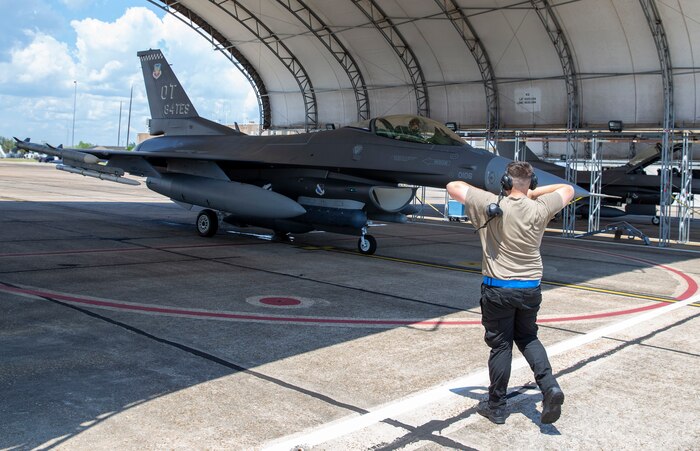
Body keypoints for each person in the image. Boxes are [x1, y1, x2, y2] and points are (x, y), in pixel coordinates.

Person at [446, 161, 575, 425]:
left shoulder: (493, 204)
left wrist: (505, 194)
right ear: (533, 182)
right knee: (528, 338)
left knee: (501, 346)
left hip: (499, 289)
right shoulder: (541, 207)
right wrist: (532, 193)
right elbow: (568, 189)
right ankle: (549, 387)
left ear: (505, 182)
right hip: (530, 288)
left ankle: (497, 407)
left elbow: (453, 186)